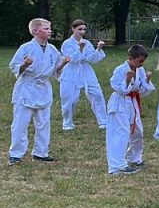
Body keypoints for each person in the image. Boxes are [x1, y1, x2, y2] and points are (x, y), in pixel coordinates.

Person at [9, 18, 69, 165]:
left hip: (43, 88)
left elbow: (55, 71)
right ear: (36, 31)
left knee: (43, 123)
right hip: (26, 88)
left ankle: (41, 152)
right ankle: (16, 154)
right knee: (20, 123)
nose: (50, 31)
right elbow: (14, 66)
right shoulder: (26, 47)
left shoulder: (53, 49)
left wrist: (63, 63)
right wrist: (24, 64)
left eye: (50, 28)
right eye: (46, 28)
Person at [105, 45, 153, 175]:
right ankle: (116, 166)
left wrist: (147, 80)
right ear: (131, 58)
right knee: (120, 133)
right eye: (139, 61)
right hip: (119, 103)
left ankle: (134, 158)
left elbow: (142, 90)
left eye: (143, 62)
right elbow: (118, 89)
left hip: (132, 103)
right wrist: (127, 80)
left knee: (138, 132)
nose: (141, 64)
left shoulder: (140, 70)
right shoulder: (120, 70)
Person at [59, 20, 109, 131]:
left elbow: (92, 59)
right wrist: (80, 48)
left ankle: (103, 121)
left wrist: (99, 49)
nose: (82, 32)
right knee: (70, 99)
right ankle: (67, 123)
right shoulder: (67, 43)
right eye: (79, 29)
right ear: (73, 29)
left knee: (97, 94)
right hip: (71, 72)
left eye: (84, 29)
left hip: (86, 71)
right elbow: (71, 59)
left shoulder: (87, 42)